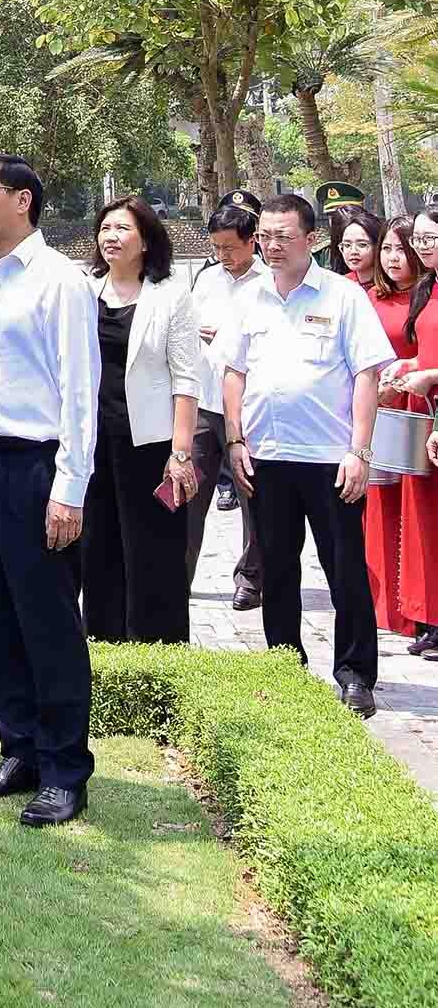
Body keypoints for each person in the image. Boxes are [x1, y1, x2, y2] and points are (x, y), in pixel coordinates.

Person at [0, 155, 98, 827]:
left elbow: (79, 389)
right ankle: (19, 751)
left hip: (35, 468)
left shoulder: (59, 281)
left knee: (48, 622)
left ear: (21, 199)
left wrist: (70, 487)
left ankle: (64, 769)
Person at [221, 192, 396, 716]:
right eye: (264, 236)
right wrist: (234, 439)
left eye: (283, 236)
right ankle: (284, 666)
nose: (271, 246)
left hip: (328, 458)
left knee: (343, 569)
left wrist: (359, 451)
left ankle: (355, 673)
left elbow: (367, 374)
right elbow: (233, 371)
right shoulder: (248, 299)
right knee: (276, 569)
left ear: (312, 240)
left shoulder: (341, 296)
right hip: (265, 457)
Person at [81, 197, 200, 643]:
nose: (110, 237)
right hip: (93, 442)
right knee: (97, 550)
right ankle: (104, 647)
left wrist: (181, 452)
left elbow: (186, 380)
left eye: (122, 229)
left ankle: (159, 650)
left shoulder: (171, 295)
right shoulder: (83, 290)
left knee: (153, 555)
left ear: (146, 240)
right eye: (105, 228)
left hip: (150, 444)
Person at [186, 194, 265, 610]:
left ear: (253, 241)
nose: (223, 256)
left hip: (250, 411)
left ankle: (251, 578)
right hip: (203, 402)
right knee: (188, 492)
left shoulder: (269, 285)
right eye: (216, 248)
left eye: (230, 248)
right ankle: (177, 575)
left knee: (253, 498)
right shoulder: (207, 279)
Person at [384, 204, 438, 659]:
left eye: (431, 238)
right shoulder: (428, 288)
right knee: (423, 519)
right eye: (419, 238)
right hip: (425, 414)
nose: (423, 246)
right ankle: (430, 617)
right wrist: (410, 366)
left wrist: (432, 375)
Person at [363, 218, 419, 641]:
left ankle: (416, 606)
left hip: (414, 411)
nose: (393, 258)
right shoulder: (366, 299)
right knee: (378, 509)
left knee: (414, 512)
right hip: (377, 410)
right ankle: (382, 606)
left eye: (401, 249)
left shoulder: (425, 299)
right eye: (387, 249)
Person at [313, 178, 369, 273]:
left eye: (342, 215)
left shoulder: (376, 245)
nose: (336, 221)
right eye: (332, 216)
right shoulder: (322, 254)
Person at [337, 208, 385, 290]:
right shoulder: (339, 285)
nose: (353, 252)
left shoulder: (393, 285)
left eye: (362, 245)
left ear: (378, 246)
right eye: (347, 245)